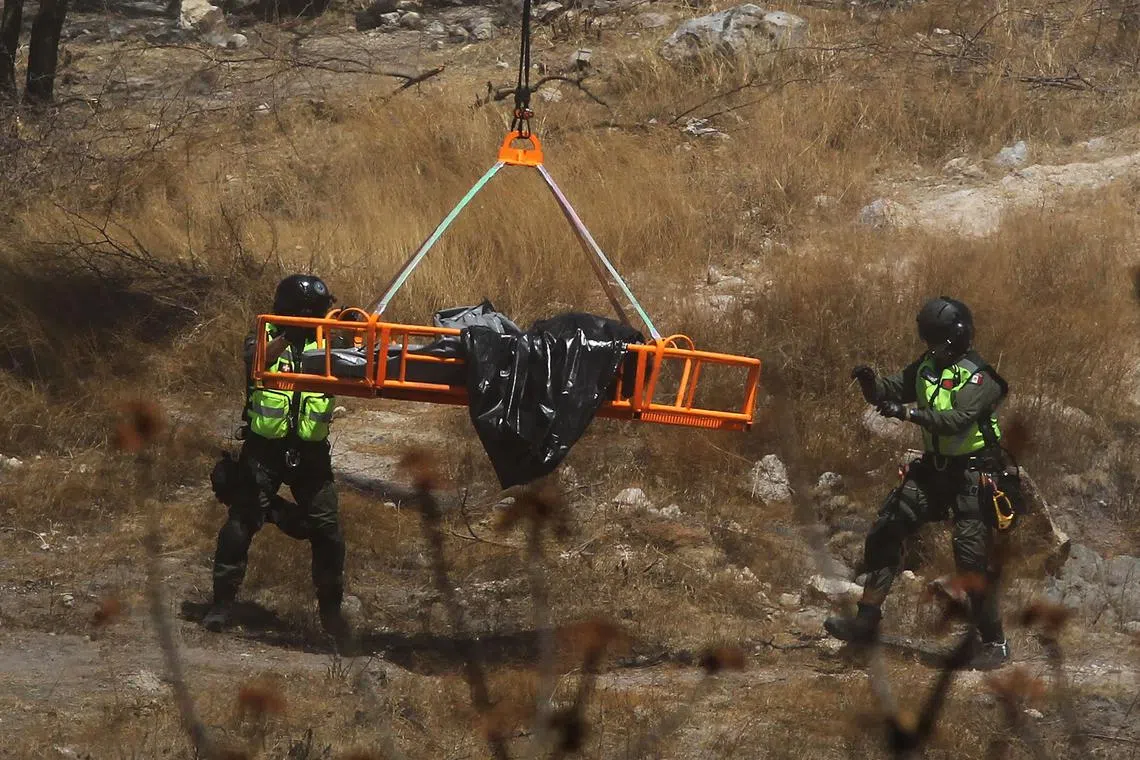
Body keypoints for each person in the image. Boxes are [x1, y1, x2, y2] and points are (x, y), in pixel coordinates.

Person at [823, 296, 1013, 670]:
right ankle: (866, 621)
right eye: (928, 342)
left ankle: (995, 641)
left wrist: (908, 413)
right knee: (886, 529)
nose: (932, 349)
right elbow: (890, 391)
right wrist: (870, 385)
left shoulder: (981, 378)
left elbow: (957, 420)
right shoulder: (927, 366)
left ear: (956, 338)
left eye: (937, 342)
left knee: (971, 558)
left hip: (973, 475)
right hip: (934, 471)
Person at [203, 274, 350, 646]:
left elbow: (361, 360)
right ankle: (221, 603)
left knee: (326, 528)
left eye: (317, 312)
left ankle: (331, 613)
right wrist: (288, 337)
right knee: (241, 522)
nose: (312, 317)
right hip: (264, 449)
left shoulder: (329, 342)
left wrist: (348, 332)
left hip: (311, 452)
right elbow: (256, 362)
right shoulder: (263, 336)